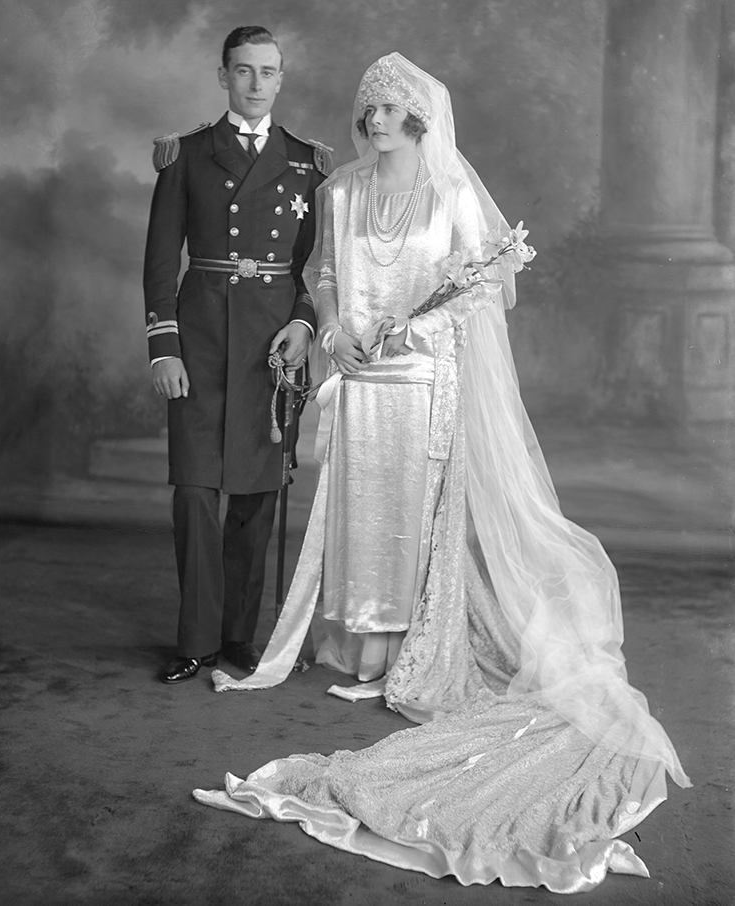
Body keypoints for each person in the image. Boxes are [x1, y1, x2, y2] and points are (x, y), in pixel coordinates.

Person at [193, 54, 690, 892]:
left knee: (415, 517)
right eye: (368, 109)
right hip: (359, 377)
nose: (375, 120)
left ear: (421, 120)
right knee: (355, 511)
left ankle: (412, 651)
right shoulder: (340, 191)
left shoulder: (453, 195)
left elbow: (477, 292)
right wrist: (336, 326)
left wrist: (413, 332)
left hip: (425, 379)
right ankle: (355, 647)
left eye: (390, 110)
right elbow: (319, 277)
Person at [143, 26, 330, 684]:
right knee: (194, 494)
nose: (255, 83)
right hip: (199, 343)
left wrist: (305, 325)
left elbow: (317, 269)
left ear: (281, 79)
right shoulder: (188, 155)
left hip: (269, 349)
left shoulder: (309, 162)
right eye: (243, 70)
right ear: (222, 75)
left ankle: (237, 640)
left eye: (268, 71)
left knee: (254, 500)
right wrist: (162, 347)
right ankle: (193, 640)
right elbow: (162, 262)